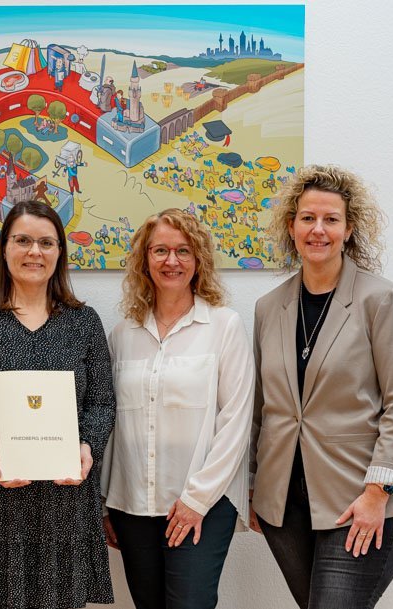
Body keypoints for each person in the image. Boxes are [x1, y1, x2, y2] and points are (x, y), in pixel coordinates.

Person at [250, 165, 393, 609]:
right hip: (284, 507)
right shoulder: (269, 307)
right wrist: (254, 486)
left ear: (349, 229)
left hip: (359, 500)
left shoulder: (381, 300)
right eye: (308, 218)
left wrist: (377, 494)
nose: (318, 230)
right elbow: (262, 407)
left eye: (331, 219)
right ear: (291, 227)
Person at [0, 200, 116, 609]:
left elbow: (102, 402)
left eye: (46, 243)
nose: (35, 251)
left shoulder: (84, 322)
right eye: (23, 241)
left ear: (59, 253)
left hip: (63, 500)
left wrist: (87, 446)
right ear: (4, 249)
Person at [102, 209, 255, 609]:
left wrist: (196, 500)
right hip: (133, 505)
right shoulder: (122, 335)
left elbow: (236, 422)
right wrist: (105, 501)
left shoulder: (224, 326)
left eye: (183, 251)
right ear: (144, 259)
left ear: (198, 259)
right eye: (161, 250)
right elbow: (112, 424)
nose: (172, 261)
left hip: (204, 503)